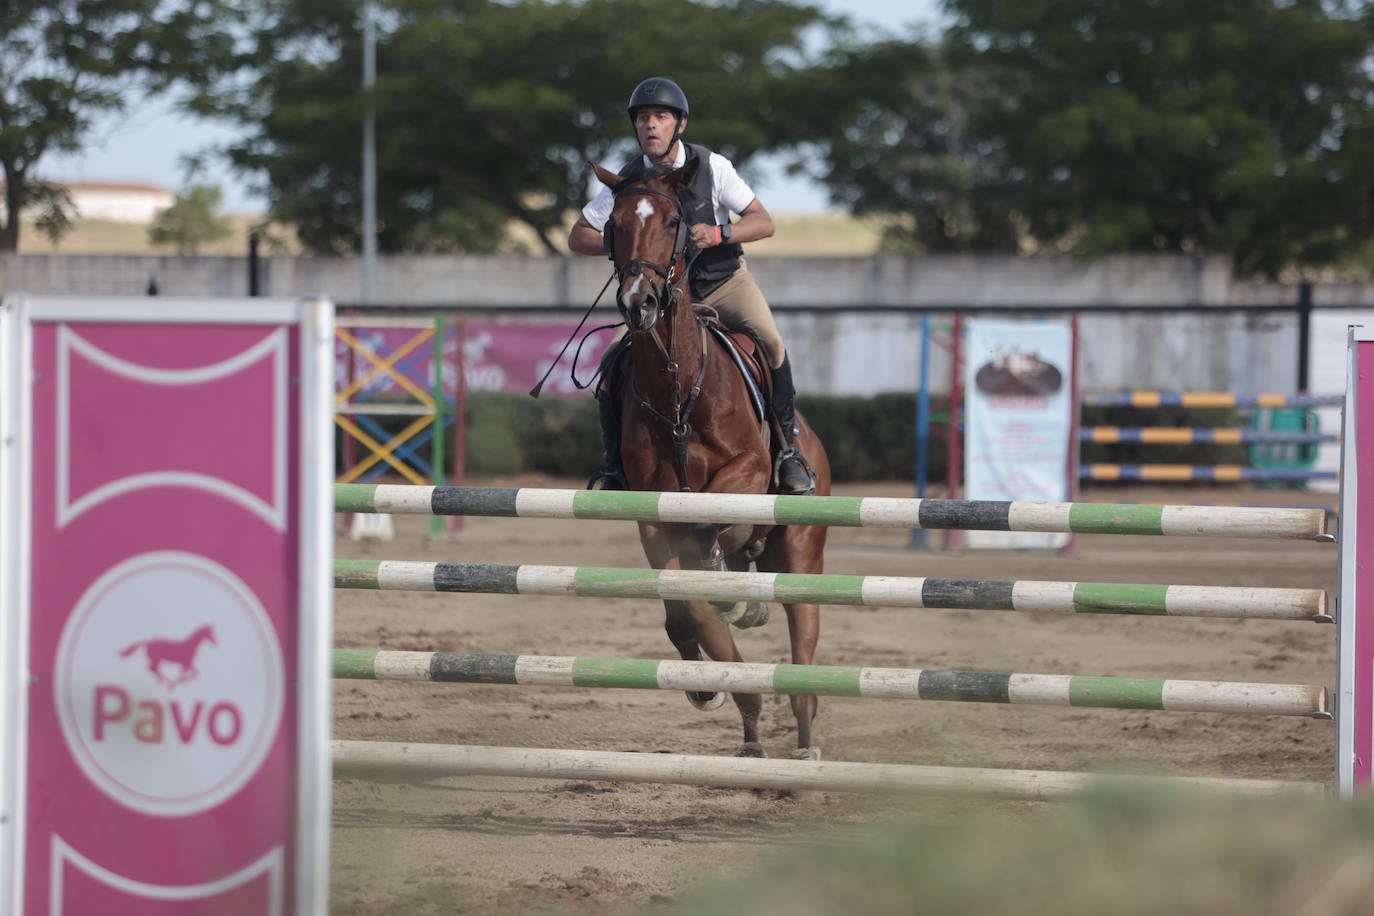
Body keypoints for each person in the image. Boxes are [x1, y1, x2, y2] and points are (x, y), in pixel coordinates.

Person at [568, 76, 815, 496]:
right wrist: (622, 238)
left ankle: (788, 450)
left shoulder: (712, 166)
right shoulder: (628, 181)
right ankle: (614, 467)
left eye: (660, 117)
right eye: (643, 118)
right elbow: (578, 237)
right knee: (613, 364)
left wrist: (720, 234)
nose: (650, 125)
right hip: (666, 301)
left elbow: (764, 222)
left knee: (771, 342)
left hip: (723, 285)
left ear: (679, 124)